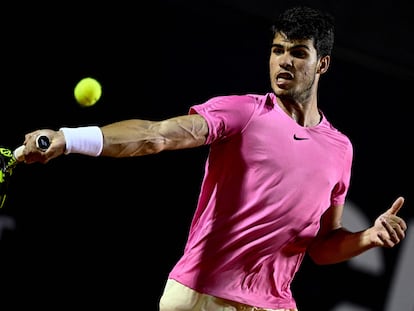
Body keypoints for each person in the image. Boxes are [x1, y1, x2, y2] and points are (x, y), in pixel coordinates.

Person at [19, 5, 407, 311]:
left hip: (273, 304)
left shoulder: (340, 149)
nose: (283, 62)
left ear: (321, 64)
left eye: (298, 53)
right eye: (278, 50)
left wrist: (367, 238)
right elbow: (156, 136)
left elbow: (321, 246)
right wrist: (69, 138)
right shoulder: (244, 112)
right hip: (203, 298)